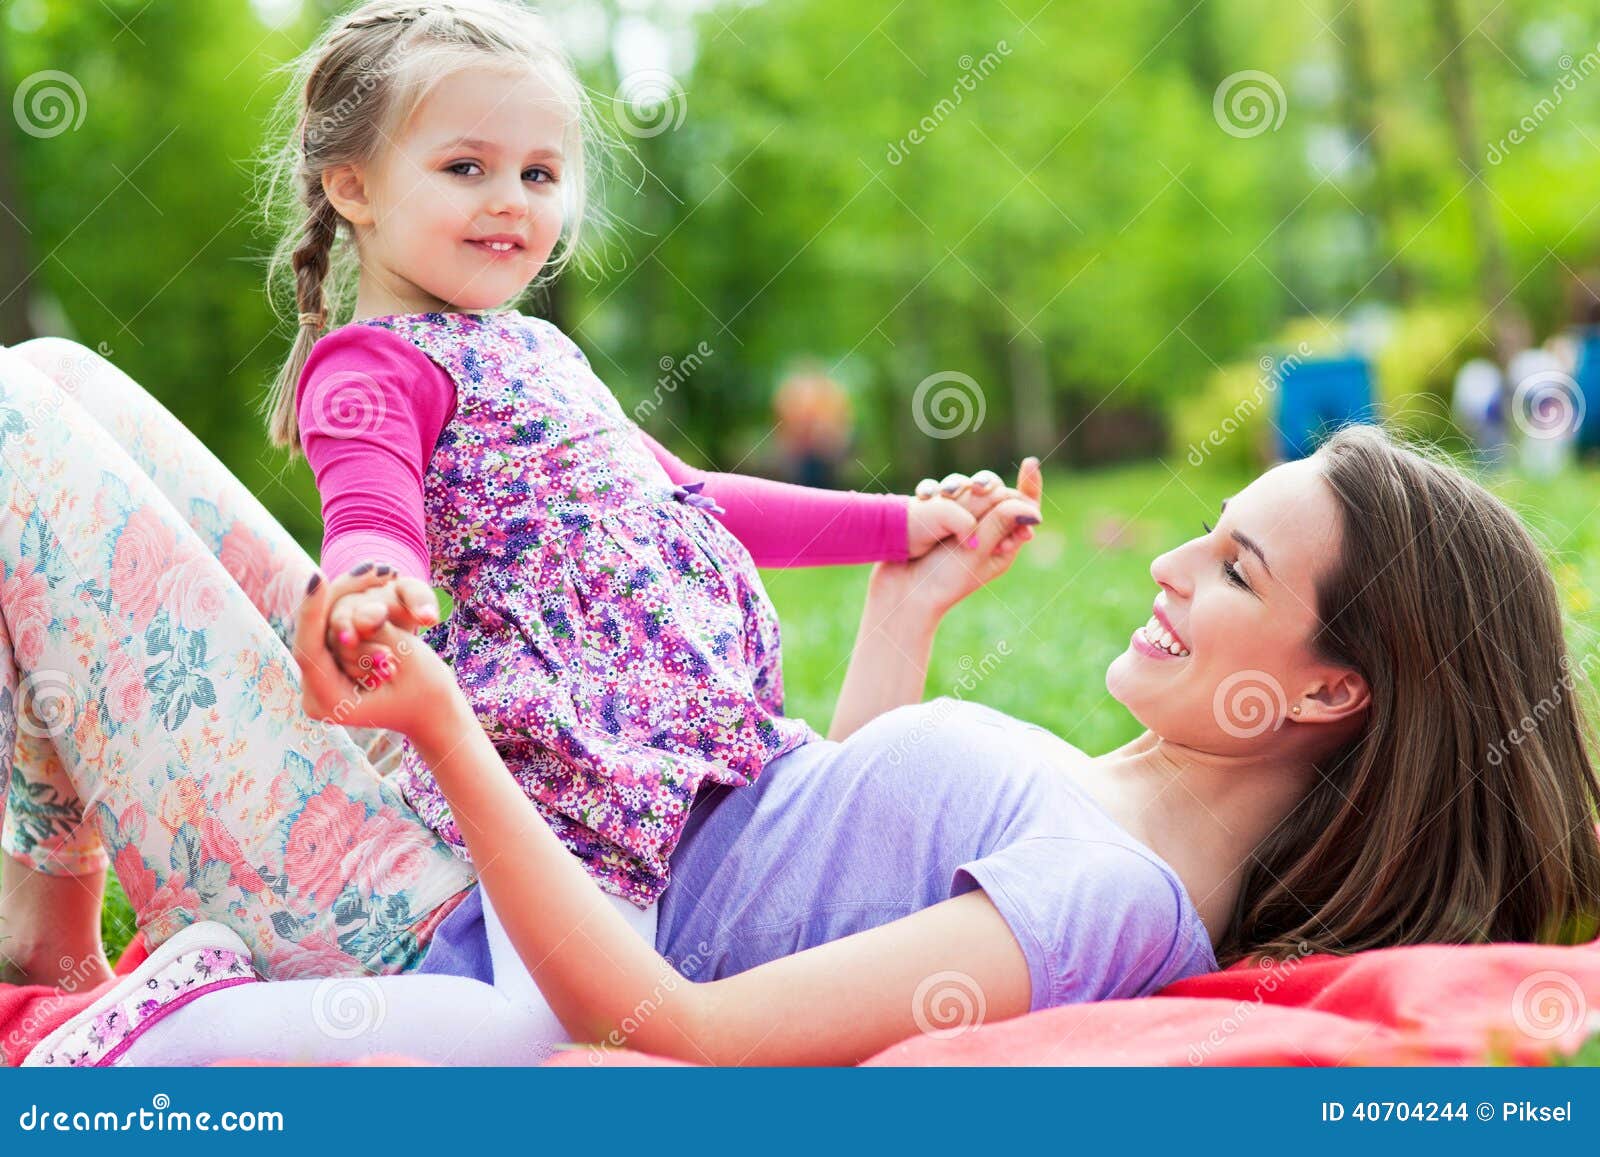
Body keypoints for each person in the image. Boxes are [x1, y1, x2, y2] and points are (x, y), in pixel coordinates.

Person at [8, 334, 1598, 1062]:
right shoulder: (1115, 798)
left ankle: (67, 959)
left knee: (18, 424)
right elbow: (791, 868)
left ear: (1332, 689)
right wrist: (901, 606)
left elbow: (681, 1017)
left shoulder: (1109, 896)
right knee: (63, 387)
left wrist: (439, 725)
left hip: (429, 916)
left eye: (1239, 568)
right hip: (518, 839)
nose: (1176, 560)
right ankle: (53, 937)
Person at [257, 0, 1002, 952]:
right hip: (560, 774)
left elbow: (694, 502)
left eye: (539, 172)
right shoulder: (371, 366)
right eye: (465, 168)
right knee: (569, 998)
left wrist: (900, 524)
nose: (512, 200)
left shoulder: (543, 348)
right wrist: (373, 586)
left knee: (773, 910)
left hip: (673, 750)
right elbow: (370, 509)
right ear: (353, 188)